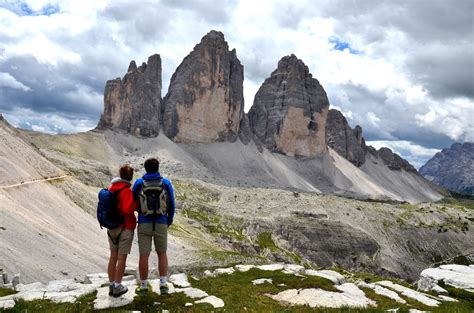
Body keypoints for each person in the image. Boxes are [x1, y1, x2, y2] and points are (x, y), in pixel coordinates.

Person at [132, 158, 175, 295]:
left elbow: (133, 201)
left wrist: (139, 214)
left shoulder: (139, 183)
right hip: (161, 221)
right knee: (162, 253)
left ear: (145, 168)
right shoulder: (165, 183)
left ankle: (144, 287)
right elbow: (172, 204)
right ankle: (163, 284)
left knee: (144, 255)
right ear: (157, 168)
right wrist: (168, 220)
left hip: (144, 221)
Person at [107, 164, 137, 297]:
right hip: (125, 227)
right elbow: (127, 209)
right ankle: (118, 286)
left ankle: (111, 284)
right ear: (130, 177)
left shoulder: (112, 187)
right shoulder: (126, 190)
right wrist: (135, 204)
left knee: (113, 257)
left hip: (112, 227)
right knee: (122, 259)